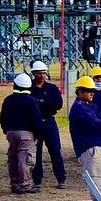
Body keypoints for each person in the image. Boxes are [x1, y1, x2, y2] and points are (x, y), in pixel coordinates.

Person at [69, 75, 101, 201]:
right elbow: (93, 123)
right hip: (88, 147)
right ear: (80, 92)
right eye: (89, 91)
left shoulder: (88, 105)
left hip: (98, 144)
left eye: (93, 91)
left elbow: (98, 115)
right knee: (95, 176)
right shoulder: (78, 108)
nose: (92, 94)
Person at [0, 73, 46, 195]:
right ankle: (24, 185)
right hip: (26, 134)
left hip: (11, 133)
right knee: (24, 160)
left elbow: (2, 117)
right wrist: (38, 133)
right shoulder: (31, 101)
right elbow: (36, 119)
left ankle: (14, 184)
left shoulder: (8, 99)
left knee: (13, 158)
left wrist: (6, 130)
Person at [29, 61, 67, 189]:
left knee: (55, 151)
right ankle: (37, 181)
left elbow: (58, 104)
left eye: (44, 73)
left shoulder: (52, 88)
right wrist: (45, 104)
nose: (42, 76)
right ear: (34, 74)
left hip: (49, 121)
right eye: (39, 73)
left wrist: (42, 104)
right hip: (35, 124)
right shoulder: (29, 88)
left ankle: (61, 179)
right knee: (36, 153)